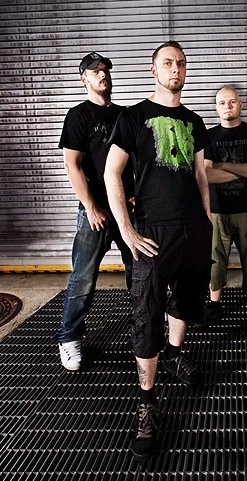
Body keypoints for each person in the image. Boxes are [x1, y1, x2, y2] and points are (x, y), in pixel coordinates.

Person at [104, 41, 213, 461]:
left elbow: (200, 174)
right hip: (152, 231)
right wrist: (127, 230)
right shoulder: (133, 117)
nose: (176, 69)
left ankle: (175, 355)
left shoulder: (194, 120)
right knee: (147, 312)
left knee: (186, 298)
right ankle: (147, 403)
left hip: (193, 229)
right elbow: (112, 173)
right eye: (168, 63)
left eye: (181, 63)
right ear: (154, 70)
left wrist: (207, 219)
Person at [56, 52, 134, 371]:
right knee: (83, 278)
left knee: (139, 272)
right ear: (83, 79)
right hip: (95, 211)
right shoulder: (78, 115)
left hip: (126, 209)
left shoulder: (125, 115)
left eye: (105, 70)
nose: (102, 74)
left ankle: (142, 329)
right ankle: (69, 337)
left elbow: (137, 160)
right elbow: (72, 165)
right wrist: (91, 206)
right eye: (95, 71)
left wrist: (135, 196)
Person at [198, 86, 247, 332]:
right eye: (222, 103)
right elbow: (206, 174)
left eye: (232, 102)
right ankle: (214, 306)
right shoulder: (208, 136)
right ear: (216, 107)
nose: (227, 106)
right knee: (214, 261)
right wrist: (245, 169)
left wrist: (224, 165)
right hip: (217, 212)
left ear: (240, 104)